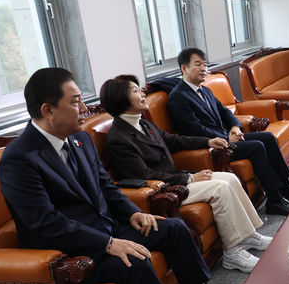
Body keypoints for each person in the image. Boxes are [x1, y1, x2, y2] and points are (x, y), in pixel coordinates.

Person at [0, 68, 231, 284]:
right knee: (133, 260)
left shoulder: (79, 139)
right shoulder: (19, 158)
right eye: (75, 101)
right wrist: (108, 243)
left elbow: (106, 187)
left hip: (109, 227)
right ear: (48, 110)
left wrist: (134, 212)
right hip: (70, 249)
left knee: (172, 227)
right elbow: (45, 223)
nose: (85, 109)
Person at [100, 74, 273, 273]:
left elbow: (175, 141)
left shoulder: (144, 124)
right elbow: (145, 175)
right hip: (163, 190)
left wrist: (208, 141)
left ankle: (247, 236)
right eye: (135, 91)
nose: (142, 94)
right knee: (220, 187)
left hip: (176, 178)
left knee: (230, 178)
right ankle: (233, 253)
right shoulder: (118, 139)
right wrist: (189, 178)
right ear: (120, 99)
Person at [167, 48, 289, 216]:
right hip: (209, 145)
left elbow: (225, 112)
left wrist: (235, 128)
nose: (203, 69)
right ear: (184, 68)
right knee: (257, 146)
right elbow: (194, 129)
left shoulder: (205, 90)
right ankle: (274, 199)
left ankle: (286, 187)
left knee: (268, 137)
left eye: (205, 65)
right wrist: (226, 137)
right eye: (198, 64)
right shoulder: (178, 96)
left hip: (224, 138)